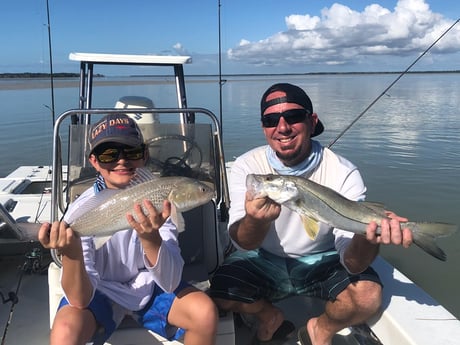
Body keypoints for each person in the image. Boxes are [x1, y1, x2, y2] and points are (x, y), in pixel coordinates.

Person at [209, 83, 413, 345]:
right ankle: (269, 315)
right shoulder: (248, 166)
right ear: (264, 128)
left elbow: (353, 263)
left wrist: (367, 236)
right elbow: (241, 242)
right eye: (271, 120)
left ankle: (321, 329)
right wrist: (255, 220)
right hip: (263, 258)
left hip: (325, 260)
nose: (282, 127)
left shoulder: (343, 172)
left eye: (293, 117)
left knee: (367, 297)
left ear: (312, 120)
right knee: (217, 295)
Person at [38, 114, 218, 345]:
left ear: (144, 155)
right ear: (94, 161)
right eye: (108, 154)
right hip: (98, 289)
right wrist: (72, 254)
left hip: (149, 285)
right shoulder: (79, 213)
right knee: (64, 330)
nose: (121, 160)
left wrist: (151, 239)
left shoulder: (163, 203)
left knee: (204, 313)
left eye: (131, 152)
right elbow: (80, 300)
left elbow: (171, 282)